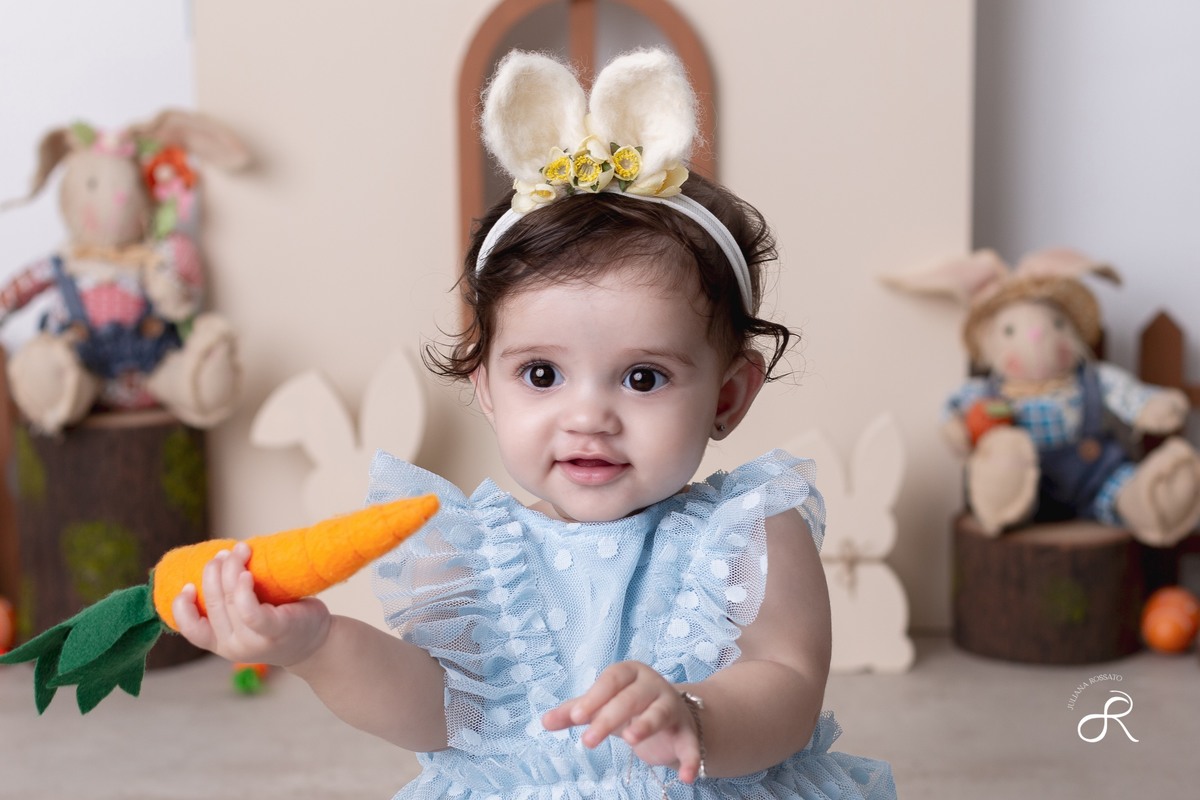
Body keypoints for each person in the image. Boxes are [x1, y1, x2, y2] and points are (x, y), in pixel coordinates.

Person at [172, 49, 897, 800]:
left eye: (643, 377)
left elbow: (788, 684)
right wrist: (316, 645)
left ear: (728, 396)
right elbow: (440, 714)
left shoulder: (747, 535)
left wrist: (694, 716)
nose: (588, 418)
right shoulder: (478, 557)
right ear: (485, 386)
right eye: (542, 375)